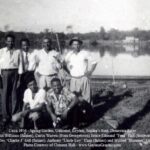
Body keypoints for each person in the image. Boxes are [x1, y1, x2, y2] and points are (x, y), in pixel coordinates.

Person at [64, 37, 98, 104]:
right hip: (73, 79)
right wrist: (68, 72)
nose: (76, 46)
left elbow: (94, 62)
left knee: (86, 98)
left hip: (83, 78)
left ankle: (88, 113)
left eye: (78, 44)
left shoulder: (85, 53)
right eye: (74, 44)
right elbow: (64, 64)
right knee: (73, 98)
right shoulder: (69, 54)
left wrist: (90, 71)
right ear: (71, 45)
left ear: (80, 45)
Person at [0, 34, 23, 127]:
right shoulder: (1, 51)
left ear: (14, 41)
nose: (10, 42)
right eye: (8, 41)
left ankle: (14, 116)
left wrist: (19, 79)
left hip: (15, 73)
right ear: (6, 41)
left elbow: (20, 65)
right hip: (4, 73)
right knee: (4, 95)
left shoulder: (18, 52)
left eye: (12, 41)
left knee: (14, 95)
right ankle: (5, 116)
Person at [18, 38, 38, 110]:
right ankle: (22, 109)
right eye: (23, 45)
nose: (25, 47)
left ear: (29, 45)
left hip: (31, 74)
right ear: (21, 46)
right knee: (21, 93)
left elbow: (39, 62)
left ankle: (31, 108)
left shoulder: (34, 53)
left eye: (27, 45)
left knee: (30, 91)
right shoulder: (18, 53)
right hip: (21, 75)